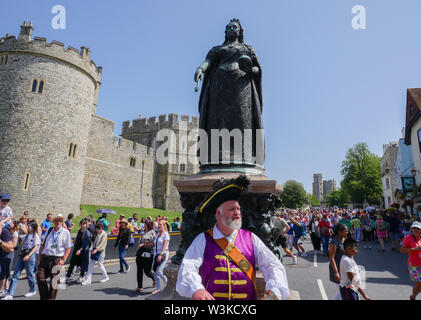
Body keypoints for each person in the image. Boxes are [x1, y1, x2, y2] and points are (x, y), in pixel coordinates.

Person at [176, 175, 290, 300]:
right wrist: (196, 289)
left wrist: (275, 292)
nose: (237, 212)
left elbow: (272, 265)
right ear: (218, 214)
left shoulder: (251, 238)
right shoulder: (202, 240)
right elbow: (188, 267)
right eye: (231, 209)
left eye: (238, 209)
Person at [36, 214, 73, 300]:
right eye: (56, 221)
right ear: (53, 222)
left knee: (55, 282)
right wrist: (39, 257)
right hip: (46, 257)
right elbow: (43, 245)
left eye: (60, 221)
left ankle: (51, 298)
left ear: (62, 222)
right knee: (39, 277)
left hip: (57, 259)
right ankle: (44, 297)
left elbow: (69, 247)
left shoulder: (65, 232)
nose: (58, 222)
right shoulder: (49, 230)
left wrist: (63, 259)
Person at [2, 221, 41, 300]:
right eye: (28, 226)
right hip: (22, 255)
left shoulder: (35, 236)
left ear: (33, 227)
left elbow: (36, 247)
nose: (28, 227)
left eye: (30, 226)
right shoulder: (26, 235)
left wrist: (29, 255)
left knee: (30, 274)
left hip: (30, 256)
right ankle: (10, 294)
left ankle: (32, 290)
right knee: (15, 274)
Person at [132, 221, 156, 293]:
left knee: (147, 271)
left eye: (145, 225)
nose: (144, 226)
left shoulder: (152, 232)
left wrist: (145, 244)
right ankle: (139, 287)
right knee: (139, 271)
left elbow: (154, 243)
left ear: (148, 225)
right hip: (140, 253)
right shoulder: (144, 232)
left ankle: (154, 278)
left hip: (148, 254)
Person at [400, 221, 421, 300]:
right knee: (419, 282)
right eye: (414, 228)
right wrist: (414, 249)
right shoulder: (408, 238)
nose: (416, 230)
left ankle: (413, 296)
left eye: (418, 228)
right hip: (414, 265)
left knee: (420, 284)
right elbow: (402, 250)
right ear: (411, 229)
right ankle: (413, 296)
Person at [66, 219, 91, 283]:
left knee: (82, 264)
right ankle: (67, 276)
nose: (83, 225)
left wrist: (80, 250)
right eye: (82, 224)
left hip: (83, 251)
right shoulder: (79, 231)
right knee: (72, 263)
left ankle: (81, 276)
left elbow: (85, 243)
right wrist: (75, 248)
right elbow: (77, 240)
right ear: (80, 225)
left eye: (84, 224)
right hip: (76, 250)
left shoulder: (87, 232)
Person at [329, 223, 348, 300]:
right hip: (337, 269)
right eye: (345, 231)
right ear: (339, 232)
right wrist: (336, 272)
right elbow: (331, 257)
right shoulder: (334, 242)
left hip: (345, 269)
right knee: (342, 292)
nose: (347, 232)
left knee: (344, 292)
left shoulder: (344, 240)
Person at [152, 220, 170, 295]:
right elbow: (155, 244)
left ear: (164, 225)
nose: (159, 226)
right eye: (158, 224)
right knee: (155, 272)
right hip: (156, 254)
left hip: (163, 254)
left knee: (159, 271)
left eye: (161, 224)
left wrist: (161, 255)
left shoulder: (166, 234)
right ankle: (158, 289)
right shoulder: (158, 234)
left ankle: (169, 284)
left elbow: (165, 246)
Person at [0, 220, 15, 296]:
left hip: (6, 254)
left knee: (4, 273)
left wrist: (1, 243)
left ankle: (4, 289)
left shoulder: (5, 232)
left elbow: (11, 248)